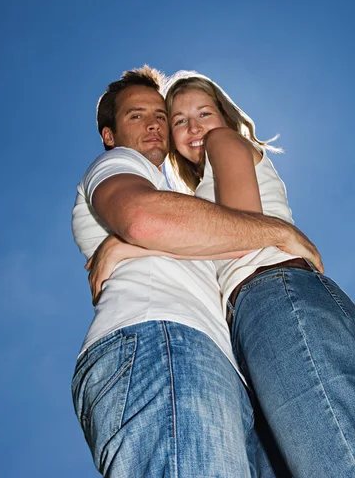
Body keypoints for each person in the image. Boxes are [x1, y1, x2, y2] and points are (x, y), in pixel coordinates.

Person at [91, 69, 355, 478]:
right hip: (250, 321)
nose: (194, 127)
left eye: (205, 113)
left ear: (226, 118)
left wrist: (128, 243)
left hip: (273, 292)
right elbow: (211, 244)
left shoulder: (224, 141)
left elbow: (243, 225)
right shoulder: (197, 194)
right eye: (179, 120)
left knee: (335, 453)